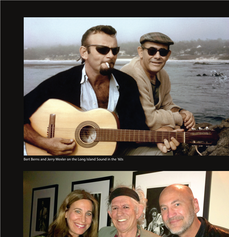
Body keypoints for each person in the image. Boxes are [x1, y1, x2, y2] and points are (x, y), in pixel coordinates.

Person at [24, 25, 179, 156]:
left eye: (114, 50)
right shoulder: (62, 82)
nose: (110, 56)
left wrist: (161, 132)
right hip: (68, 154)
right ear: (84, 52)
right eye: (103, 50)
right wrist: (44, 143)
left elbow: (137, 128)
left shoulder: (126, 83)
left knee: (163, 154)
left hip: (116, 151)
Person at [121, 32, 196, 155]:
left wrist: (182, 112)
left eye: (163, 52)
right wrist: (178, 120)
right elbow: (149, 119)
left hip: (146, 136)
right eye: (151, 51)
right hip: (125, 141)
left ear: (168, 55)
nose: (157, 56)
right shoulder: (132, 73)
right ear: (140, 52)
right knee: (165, 152)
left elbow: (167, 104)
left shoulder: (162, 74)